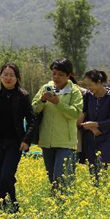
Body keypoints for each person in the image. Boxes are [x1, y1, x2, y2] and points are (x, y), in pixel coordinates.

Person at [0, 63, 36, 213]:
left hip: (15, 143)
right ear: (0, 76)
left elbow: (32, 120)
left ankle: (13, 206)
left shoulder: (22, 96)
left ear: (17, 78)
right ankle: (4, 209)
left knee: (6, 175)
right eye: (5, 75)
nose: (8, 78)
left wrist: (26, 140)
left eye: (12, 75)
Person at [32, 58, 83, 191]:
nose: (56, 77)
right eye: (54, 73)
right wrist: (42, 100)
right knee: (52, 180)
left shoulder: (74, 91)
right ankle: (57, 206)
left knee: (60, 178)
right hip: (46, 140)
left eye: (60, 74)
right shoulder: (45, 88)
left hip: (65, 142)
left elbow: (75, 113)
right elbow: (33, 109)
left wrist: (58, 103)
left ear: (68, 75)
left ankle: (64, 206)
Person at [79, 70, 110, 184]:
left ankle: (102, 190)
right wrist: (92, 128)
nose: (88, 88)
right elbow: (84, 114)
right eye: (87, 85)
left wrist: (96, 125)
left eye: (90, 85)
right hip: (90, 138)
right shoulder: (87, 96)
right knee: (92, 168)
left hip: (106, 138)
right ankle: (96, 192)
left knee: (102, 167)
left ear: (99, 82)